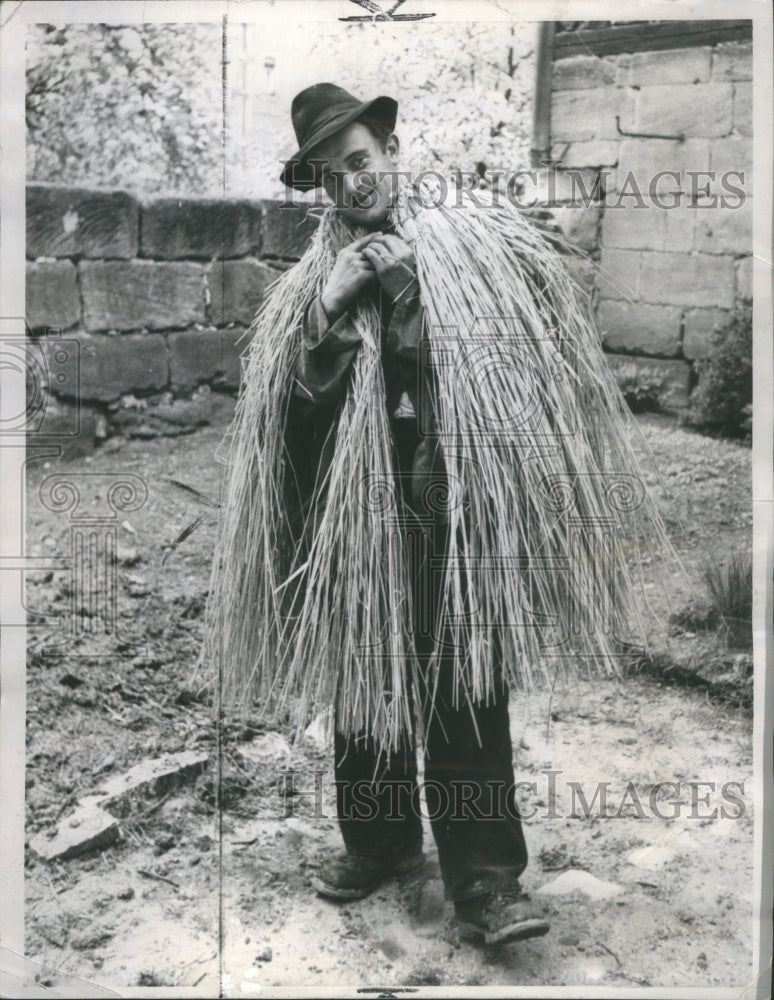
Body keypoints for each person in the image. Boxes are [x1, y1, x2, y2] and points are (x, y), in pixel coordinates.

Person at [279, 83, 549, 945]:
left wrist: (406, 292)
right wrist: (330, 307)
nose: (352, 185)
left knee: (464, 677)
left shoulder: (467, 251)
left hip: (453, 497)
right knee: (366, 670)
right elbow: (286, 418)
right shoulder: (308, 284)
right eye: (331, 176)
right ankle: (381, 844)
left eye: (359, 162)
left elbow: (507, 369)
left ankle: (485, 881)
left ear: (390, 151)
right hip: (359, 512)